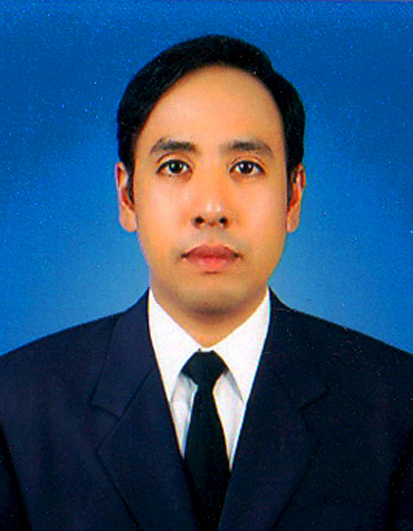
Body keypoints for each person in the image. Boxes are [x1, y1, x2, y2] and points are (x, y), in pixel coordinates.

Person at [0, 35, 412, 531]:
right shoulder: (16, 405)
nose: (212, 209)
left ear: (293, 196)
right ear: (127, 196)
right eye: (175, 167)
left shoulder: (395, 404)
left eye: (246, 167)